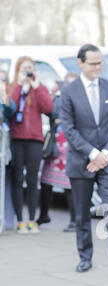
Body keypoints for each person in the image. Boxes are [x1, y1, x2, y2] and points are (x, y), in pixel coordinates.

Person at [60, 44, 108, 274]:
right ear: (80, 63)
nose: (98, 67)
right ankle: (85, 256)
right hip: (81, 161)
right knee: (82, 214)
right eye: (93, 63)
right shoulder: (68, 92)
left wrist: (107, 154)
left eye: (100, 62)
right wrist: (93, 154)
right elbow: (69, 129)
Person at [9, 56, 53, 234]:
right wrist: (20, 86)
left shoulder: (39, 87)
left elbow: (48, 108)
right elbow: (10, 108)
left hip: (35, 139)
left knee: (33, 180)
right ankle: (20, 220)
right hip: (17, 138)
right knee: (18, 178)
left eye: (30, 68)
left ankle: (32, 220)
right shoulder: (13, 86)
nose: (28, 72)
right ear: (18, 70)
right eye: (24, 69)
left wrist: (36, 87)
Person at [36, 73, 78, 232]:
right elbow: (50, 113)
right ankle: (43, 215)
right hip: (55, 144)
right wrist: (52, 97)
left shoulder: (79, 99)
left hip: (71, 145)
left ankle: (74, 220)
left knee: (69, 184)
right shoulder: (58, 97)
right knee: (46, 181)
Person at [0, 69, 16, 230]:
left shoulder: (6, 97)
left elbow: (11, 110)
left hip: (4, 147)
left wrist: (3, 94)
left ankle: (7, 221)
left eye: (3, 79)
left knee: (5, 183)